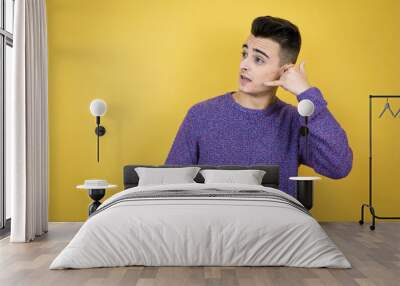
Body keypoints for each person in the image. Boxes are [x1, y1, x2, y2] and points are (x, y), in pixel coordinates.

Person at [164, 15, 353, 197]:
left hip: (275, 227)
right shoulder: (200, 115)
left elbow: (338, 166)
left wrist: (307, 95)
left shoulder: (296, 122)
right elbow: (170, 187)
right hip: (212, 227)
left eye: (258, 59)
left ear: (285, 71)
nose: (244, 65)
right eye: (244, 54)